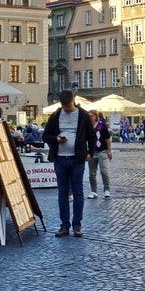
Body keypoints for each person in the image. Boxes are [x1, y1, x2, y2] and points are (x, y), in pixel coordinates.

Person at [42, 89, 95, 237]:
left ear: (73, 101)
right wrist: (56, 139)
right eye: (64, 106)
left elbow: (91, 135)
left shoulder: (83, 115)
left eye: (68, 106)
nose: (66, 108)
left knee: (78, 192)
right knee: (62, 193)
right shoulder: (56, 115)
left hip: (77, 159)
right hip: (60, 159)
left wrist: (91, 152)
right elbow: (46, 136)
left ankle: (77, 225)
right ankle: (64, 225)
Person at [87, 110, 113, 199]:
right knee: (92, 173)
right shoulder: (88, 127)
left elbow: (107, 138)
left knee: (104, 171)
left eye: (91, 116)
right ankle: (93, 191)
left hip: (102, 151)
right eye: (88, 116)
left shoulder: (102, 126)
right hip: (92, 152)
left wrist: (109, 150)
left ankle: (107, 190)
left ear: (96, 117)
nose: (90, 118)